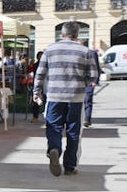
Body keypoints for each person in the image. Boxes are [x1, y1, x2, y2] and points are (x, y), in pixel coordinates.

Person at [33, 21, 98, 177]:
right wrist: (81, 84)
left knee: (53, 126)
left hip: (55, 96)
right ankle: (70, 167)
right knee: (73, 131)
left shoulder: (50, 50)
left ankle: (54, 148)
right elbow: (93, 76)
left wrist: (37, 92)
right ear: (77, 35)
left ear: (61, 34)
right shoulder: (86, 51)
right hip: (76, 97)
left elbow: (40, 74)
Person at [83, 49, 101, 128]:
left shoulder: (92, 53)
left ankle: (87, 119)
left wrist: (95, 81)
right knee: (81, 101)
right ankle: (82, 118)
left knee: (88, 100)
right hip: (79, 81)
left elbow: (97, 68)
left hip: (89, 82)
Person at [26, 51, 44, 122]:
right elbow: (28, 70)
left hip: (45, 84)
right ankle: (35, 117)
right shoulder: (35, 65)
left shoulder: (47, 64)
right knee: (36, 100)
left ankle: (48, 116)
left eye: (42, 56)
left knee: (46, 100)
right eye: (39, 56)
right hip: (36, 84)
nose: (41, 57)